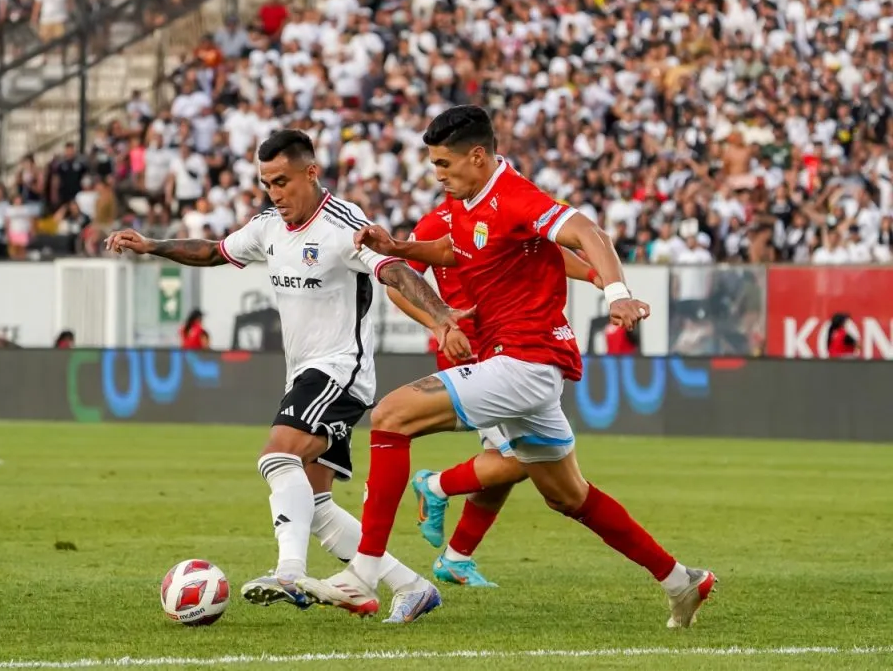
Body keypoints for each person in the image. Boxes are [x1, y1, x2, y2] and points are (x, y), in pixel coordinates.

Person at [297, 106, 716, 629]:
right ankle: (683, 581)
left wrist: (616, 292)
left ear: (478, 155)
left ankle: (362, 571)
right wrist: (398, 245)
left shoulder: (515, 195)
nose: (438, 174)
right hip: (524, 368)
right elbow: (456, 251)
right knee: (569, 496)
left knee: (391, 416)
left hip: (526, 360)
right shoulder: (467, 202)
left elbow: (587, 230)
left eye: (444, 164)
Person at [106, 129, 469, 623]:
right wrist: (151, 245)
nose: (275, 194)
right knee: (316, 505)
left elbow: (395, 272)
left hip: (340, 370)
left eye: (282, 181)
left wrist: (441, 317)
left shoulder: (345, 225)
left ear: (311, 172)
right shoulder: (268, 227)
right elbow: (213, 250)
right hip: (304, 375)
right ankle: (411, 586)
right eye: (266, 184)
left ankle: (289, 572)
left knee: (276, 456)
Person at [387, 207, 604, 588]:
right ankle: (435, 485)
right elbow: (396, 283)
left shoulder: (504, 209)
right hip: (472, 351)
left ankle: (457, 557)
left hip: (512, 347)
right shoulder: (441, 221)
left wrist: (591, 272)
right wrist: (440, 325)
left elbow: (547, 250)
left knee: (508, 461)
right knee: (520, 460)